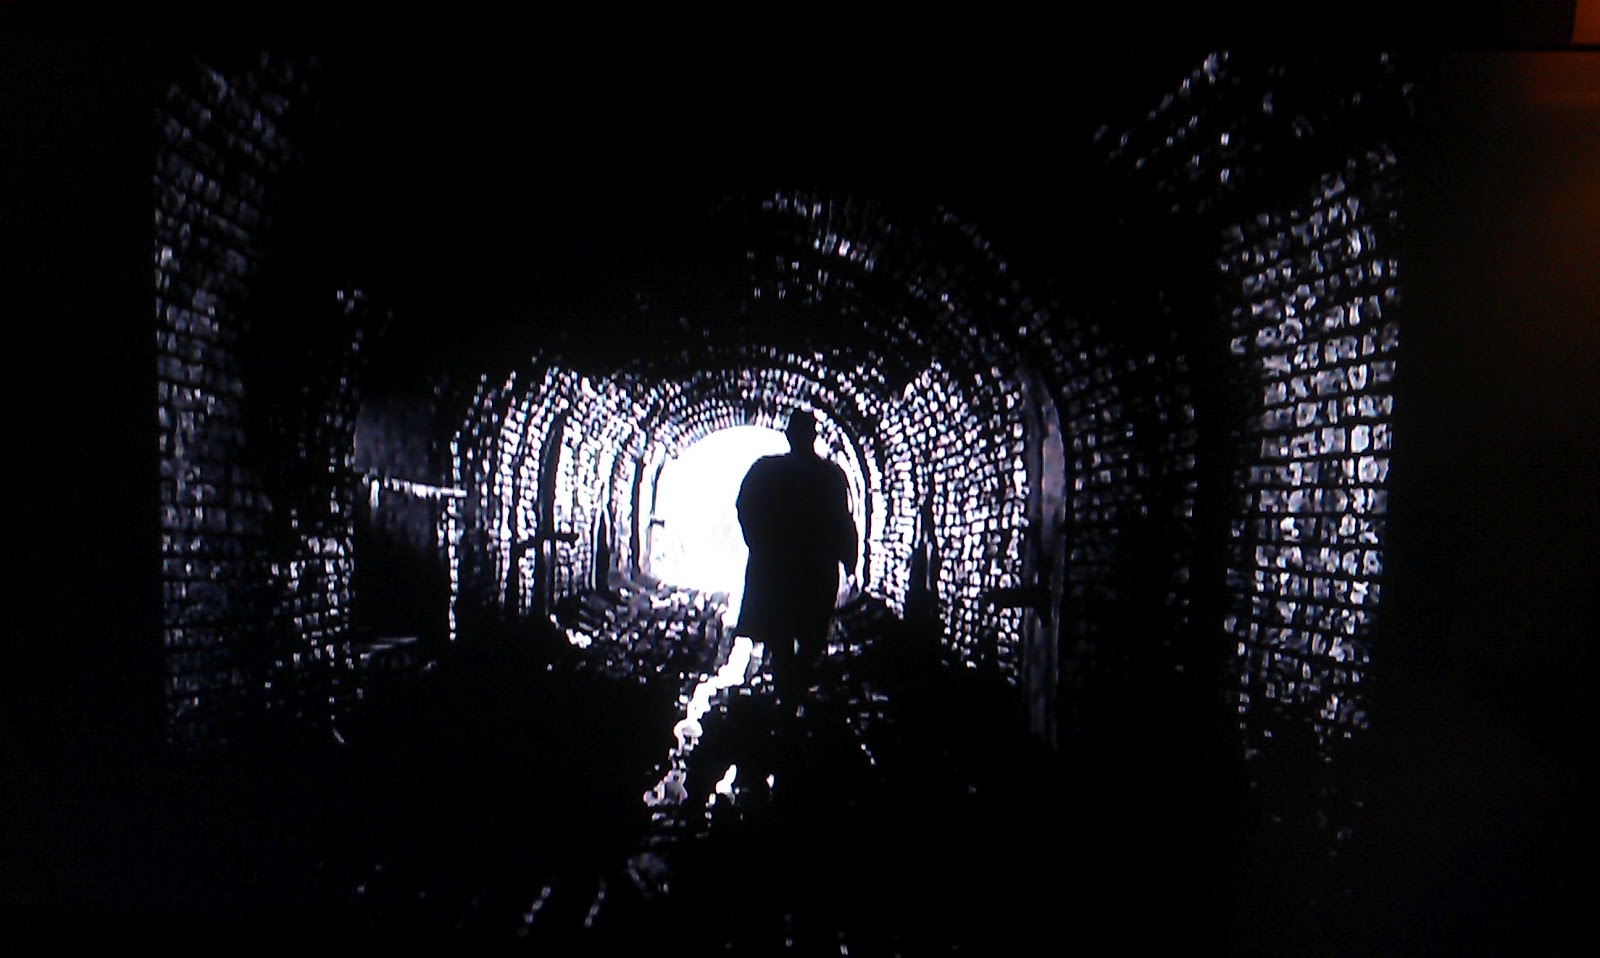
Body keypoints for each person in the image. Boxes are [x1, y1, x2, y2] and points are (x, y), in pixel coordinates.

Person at [734, 411, 858, 716]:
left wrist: (759, 545)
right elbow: (843, 520)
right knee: (810, 634)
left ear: (790, 435)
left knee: (781, 635)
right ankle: (793, 691)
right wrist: (849, 559)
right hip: (816, 570)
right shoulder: (830, 475)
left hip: (777, 570)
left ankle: (789, 693)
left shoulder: (766, 471)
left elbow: (745, 508)